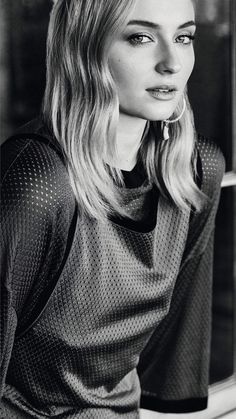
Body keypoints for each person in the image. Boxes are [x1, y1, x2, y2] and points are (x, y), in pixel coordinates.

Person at [0, 0, 225, 417]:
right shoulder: (39, 183)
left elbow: (172, 369)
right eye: (140, 37)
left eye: (183, 37)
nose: (171, 62)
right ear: (85, 48)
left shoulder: (197, 172)